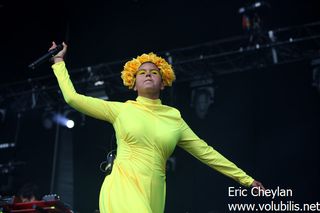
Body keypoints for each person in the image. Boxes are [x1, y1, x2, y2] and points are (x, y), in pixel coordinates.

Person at [49, 41, 264, 213]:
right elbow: (72, 98)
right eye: (141, 73)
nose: (148, 74)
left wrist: (247, 180)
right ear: (133, 84)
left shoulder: (174, 118)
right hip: (122, 188)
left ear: (163, 82)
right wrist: (59, 61)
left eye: (153, 72)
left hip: (156, 194)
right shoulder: (121, 110)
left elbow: (206, 153)